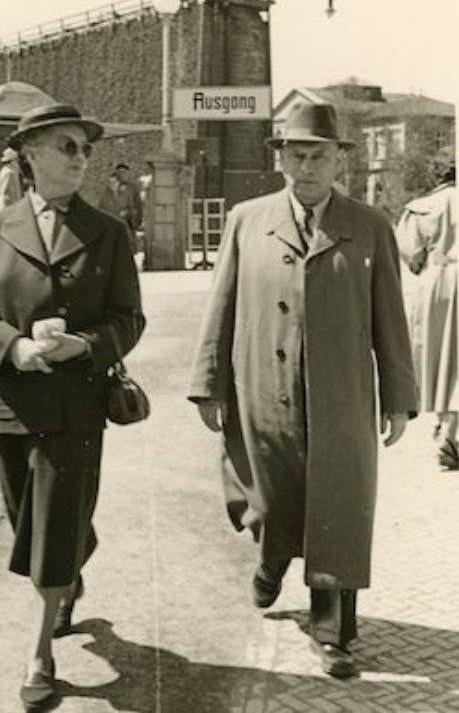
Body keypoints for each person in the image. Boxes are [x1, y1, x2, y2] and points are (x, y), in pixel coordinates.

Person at [188, 103, 417, 679]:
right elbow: (221, 305)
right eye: (296, 155)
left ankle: (333, 631)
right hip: (262, 390)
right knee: (268, 497)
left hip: (341, 396)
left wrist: (397, 397)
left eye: (319, 155)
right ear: (280, 159)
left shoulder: (369, 225)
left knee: (338, 504)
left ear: (339, 159)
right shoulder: (246, 219)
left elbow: (390, 316)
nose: (307, 167)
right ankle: (270, 559)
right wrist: (208, 384)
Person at [0, 103, 145, 711]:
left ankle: (40, 652)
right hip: (12, 402)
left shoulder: (109, 232)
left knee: (55, 523)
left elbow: (129, 318)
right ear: (29, 153)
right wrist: (15, 347)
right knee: (29, 520)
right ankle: (71, 563)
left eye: (85, 148)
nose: (80, 157)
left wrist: (84, 344)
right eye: (66, 146)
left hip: (78, 403)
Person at [396, 147, 457, 469]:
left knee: (440, 359)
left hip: (436, 283)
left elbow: (411, 256)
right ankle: (450, 431)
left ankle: (446, 428)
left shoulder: (421, 207)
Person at [113, 163, 143, 251]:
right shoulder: (113, 186)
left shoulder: (133, 188)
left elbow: (138, 204)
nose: (122, 175)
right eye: (120, 173)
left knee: (129, 246)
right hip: (116, 219)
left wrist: (138, 219)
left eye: (124, 173)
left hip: (129, 221)